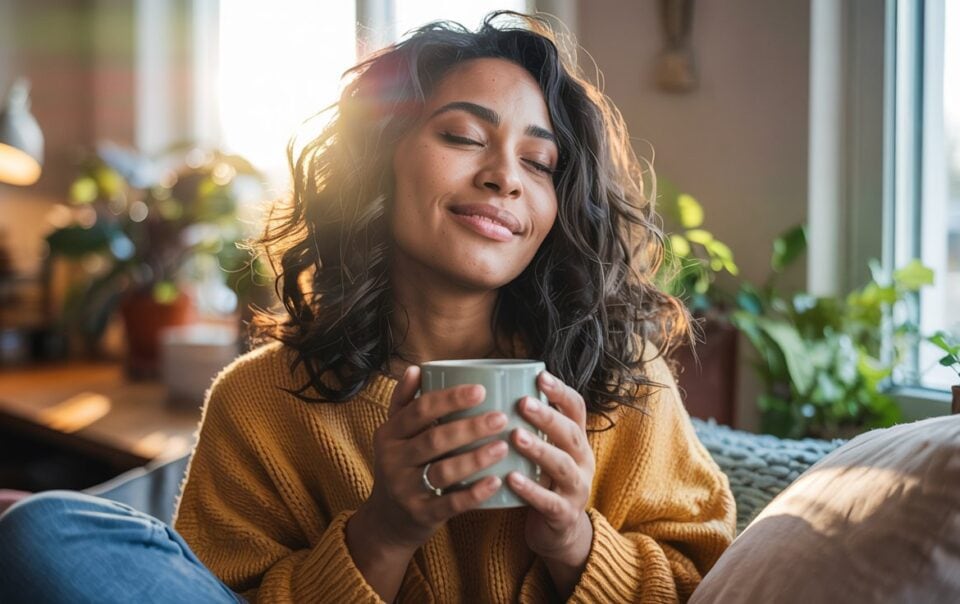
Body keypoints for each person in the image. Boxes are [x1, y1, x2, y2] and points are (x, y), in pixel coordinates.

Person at [0, 11, 735, 603]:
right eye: (462, 136)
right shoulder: (260, 402)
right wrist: (383, 532)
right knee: (42, 531)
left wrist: (574, 540)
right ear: (377, 159)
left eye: (540, 163)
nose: (504, 177)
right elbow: (206, 591)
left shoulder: (618, 380)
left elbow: (710, 584)